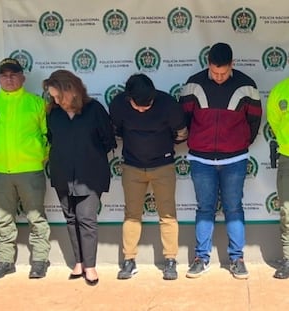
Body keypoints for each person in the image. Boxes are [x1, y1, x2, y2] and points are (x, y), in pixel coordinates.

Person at [179, 42, 262, 279]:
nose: (218, 77)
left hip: (235, 158)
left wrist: (241, 142)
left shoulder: (247, 85)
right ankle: (201, 258)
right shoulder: (193, 83)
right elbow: (183, 118)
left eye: (223, 72)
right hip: (200, 159)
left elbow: (254, 121)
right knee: (204, 209)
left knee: (233, 208)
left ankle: (237, 259)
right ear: (208, 64)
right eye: (214, 72)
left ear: (232, 64)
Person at [0, 58, 51, 279]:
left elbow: (47, 134)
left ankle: (39, 260)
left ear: (22, 78)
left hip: (30, 170)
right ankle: (6, 261)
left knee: (36, 217)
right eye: (4, 75)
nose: (9, 79)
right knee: (3, 219)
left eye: (14, 74)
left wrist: (39, 155)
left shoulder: (36, 104)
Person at [109, 73, 188, 281]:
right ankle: (129, 260)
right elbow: (116, 131)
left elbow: (181, 134)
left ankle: (170, 260)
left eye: (148, 105)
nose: (144, 109)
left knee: (168, 214)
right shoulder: (118, 104)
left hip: (163, 165)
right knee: (132, 214)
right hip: (132, 166)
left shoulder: (168, 104)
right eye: (139, 106)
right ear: (129, 98)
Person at [43, 70, 116, 286]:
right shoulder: (53, 114)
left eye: (59, 96)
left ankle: (90, 266)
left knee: (86, 218)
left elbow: (108, 140)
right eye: (53, 97)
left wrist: (88, 154)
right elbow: (51, 139)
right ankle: (79, 262)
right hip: (62, 173)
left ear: (71, 90)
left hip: (90, 175)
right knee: (71, 218)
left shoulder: (94, 110)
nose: (56, 101)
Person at [266, 77, 289, 279]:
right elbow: (274, 122)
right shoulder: (279, 91)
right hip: (287, 158)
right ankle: (288, 259)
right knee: (287, 212)